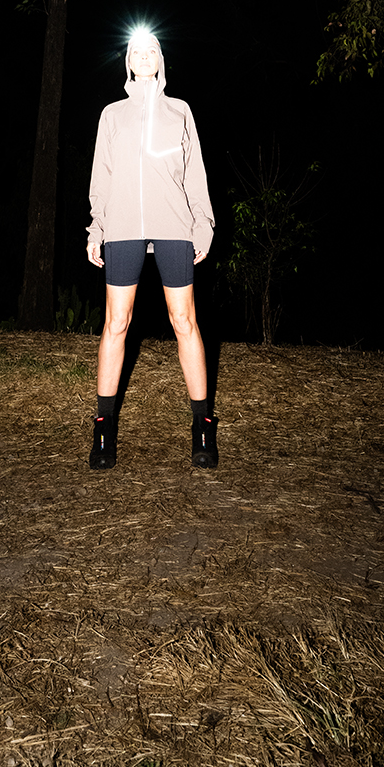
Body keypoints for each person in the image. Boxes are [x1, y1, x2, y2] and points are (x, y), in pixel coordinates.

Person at [86, 30, 217, 471]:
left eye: (151, 51)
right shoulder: (112, 115)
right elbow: (102, 176)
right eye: (136, 52)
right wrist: (97, 227)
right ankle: (104, 427)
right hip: (122, 225)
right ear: (128, 62)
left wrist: (203, 224)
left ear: (161, 60)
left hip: (174, 224)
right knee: (116, 323)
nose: (144, 57)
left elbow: (195, 173)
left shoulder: (180, 111)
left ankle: (202, 425)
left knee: (184, 321)